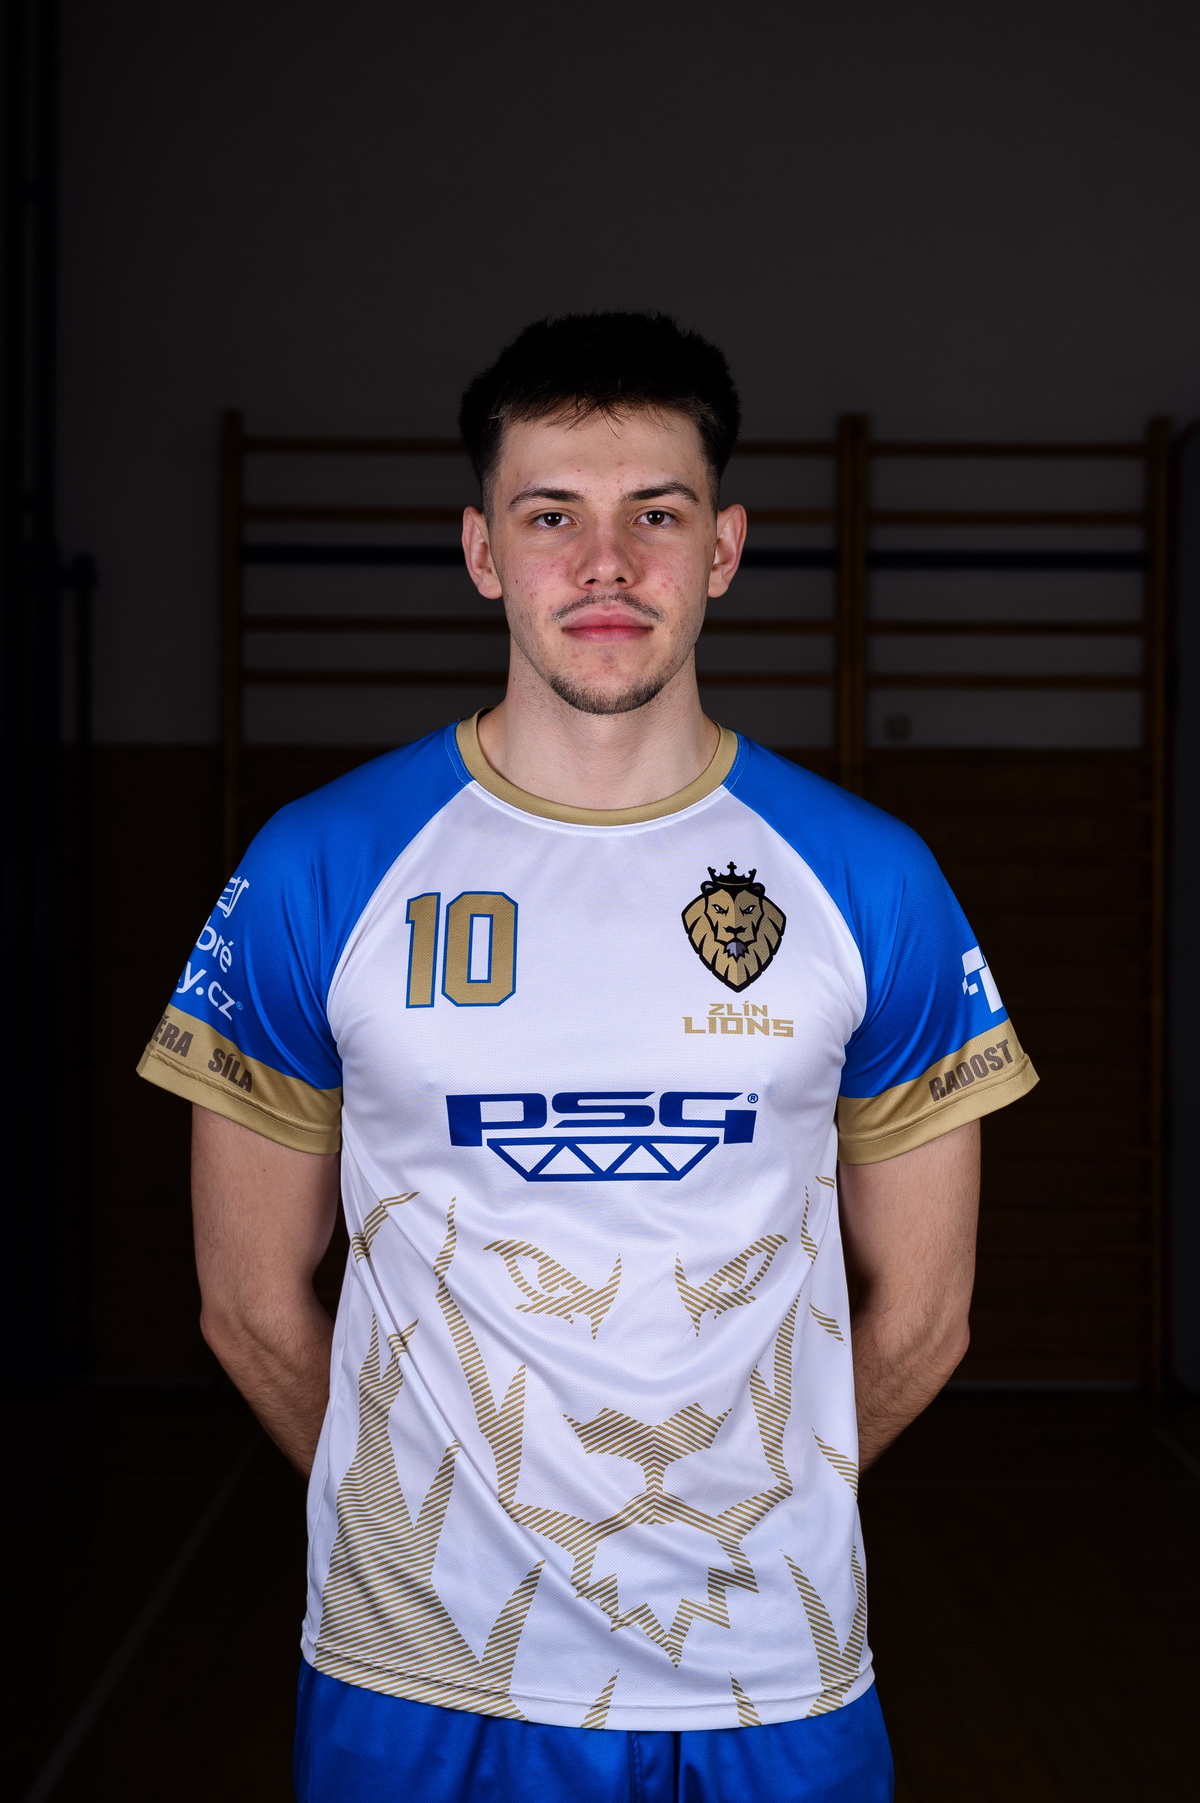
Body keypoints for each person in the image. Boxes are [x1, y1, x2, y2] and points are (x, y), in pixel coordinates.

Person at [138, 312, 1037, 1802]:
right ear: (484, 550)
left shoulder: (869, 880)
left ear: (724, 548)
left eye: (656, 516)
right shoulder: (320, 867)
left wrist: (755, 1518)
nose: (606, 564)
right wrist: (432, 1529)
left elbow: (929, 1317)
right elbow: (244, 1303)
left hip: (770, 1676)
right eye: (552, 516)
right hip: (416, 1678)